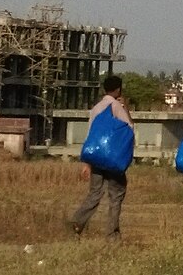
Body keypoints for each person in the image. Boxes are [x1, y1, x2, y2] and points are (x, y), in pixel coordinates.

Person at [67, 74, 134, 240]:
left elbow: (91, 136)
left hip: (96, 158)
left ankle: (77, 222)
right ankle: (112, 234)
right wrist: (126, 109)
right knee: (116, 195)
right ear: (118, 89)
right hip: (113, 159)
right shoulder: (116, 106)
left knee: (95, 194)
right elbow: (129, 128)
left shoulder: (96, 108)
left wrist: (87, 163)